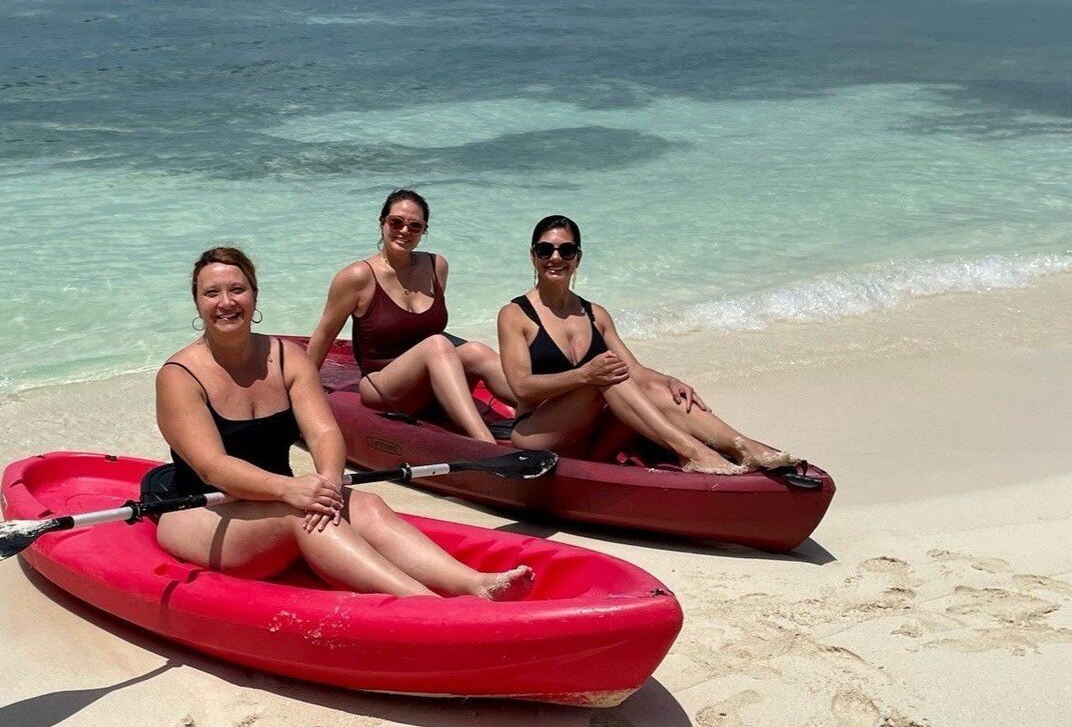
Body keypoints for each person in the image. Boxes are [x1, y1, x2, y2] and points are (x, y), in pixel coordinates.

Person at [155, 245, 533, 597]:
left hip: (279, 499)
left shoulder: (287, 357)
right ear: (197, 302)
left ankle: (475, 583)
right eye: (212, 293)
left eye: (237, 290)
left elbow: (323, 432)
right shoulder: (180, 375)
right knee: (302, 516)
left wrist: (330, 482)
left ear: (254, 295)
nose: (226, 302)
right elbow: (213, 467)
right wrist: (290, 490)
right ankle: (424, 602)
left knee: (366, 504)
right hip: (202, 510)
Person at [497, 214, 799, 476]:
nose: (555, 257)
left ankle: (742, 446)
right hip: (537, 433)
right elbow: (521, 387)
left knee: (653, 388)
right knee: (605, 374)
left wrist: (669, 382)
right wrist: (584, 375)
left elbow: (635, 373)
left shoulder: (595, 314)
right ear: (533, 256)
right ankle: (693, 452)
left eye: (566, 250)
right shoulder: (516, 315)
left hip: (590, 436)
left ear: (578, 257)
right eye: (544, 249)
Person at [305, 189, 512, 443]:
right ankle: (485, 444)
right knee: (437, 343)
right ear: (382, 223)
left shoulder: (437, 266)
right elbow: (325, 335)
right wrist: (299, 393)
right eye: (396, 222)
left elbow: (422, 330)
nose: (404, 231)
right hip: (383, 386)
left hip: (432, 383)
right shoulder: (358, 277)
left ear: (424, 231)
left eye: (415, 226)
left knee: (476, 350)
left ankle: (546, 411)